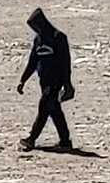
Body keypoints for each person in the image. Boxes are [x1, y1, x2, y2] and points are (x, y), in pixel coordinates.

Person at [17, 8, 74, 152]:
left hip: (55, 81)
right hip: (43, 81)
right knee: (54, 110)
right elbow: (32, 62)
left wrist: (67, 84)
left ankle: (31, 138)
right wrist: (23, 80)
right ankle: (65, 141)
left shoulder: (58, 37)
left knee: (44, 107)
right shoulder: (38, 40)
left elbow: (65, 62)